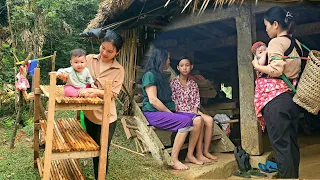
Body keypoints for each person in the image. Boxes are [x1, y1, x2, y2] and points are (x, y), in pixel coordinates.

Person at [58, 30, 125, 179]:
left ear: (117, 52)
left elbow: (113, 94)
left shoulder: (119, 70)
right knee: (93, 147)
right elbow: (74, 73)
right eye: (103, 48)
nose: (104, 53)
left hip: (106, 118)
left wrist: (95, 92)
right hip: (89, 114)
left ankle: (99, 177)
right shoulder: (88, 59)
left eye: (110, 51)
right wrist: (64, 76)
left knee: (102, 151)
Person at [251, 6, 302, 178]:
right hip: (291, 99)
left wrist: (257, 65)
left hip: (276, 101)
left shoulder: (276, 42)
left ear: (276, 24)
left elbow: (276, 69)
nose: (266, 29)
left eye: (266, 25)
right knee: (291, 145)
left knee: (281, 147)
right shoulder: (296, 43)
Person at [142, 47, 203, 170]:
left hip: (163, 112)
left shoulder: (162, 76)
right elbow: (153, 100)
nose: (169, 62)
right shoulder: (149, 75)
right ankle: (174, 159)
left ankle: (190, 155)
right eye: (168, 59)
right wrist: (170, 113)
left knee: (198, 119)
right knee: (184, 121)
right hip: (153, 113)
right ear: (161, 59)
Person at [170, 57, 217, 163]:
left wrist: (195, 111)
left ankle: (204, 152)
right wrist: (193, 114)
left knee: (209, 120)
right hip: (180, 111)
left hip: (192, 109)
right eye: (181, 66)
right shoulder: (174, 83)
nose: (184, 68)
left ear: (191, 67)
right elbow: (174, 101)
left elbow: (196, 100)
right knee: (198, 119)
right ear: (178, 68)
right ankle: (197, 153)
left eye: (187, 65)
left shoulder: (193, 84)